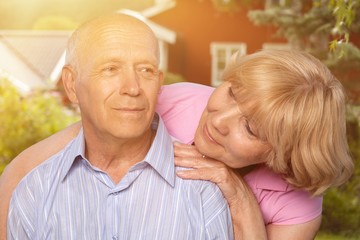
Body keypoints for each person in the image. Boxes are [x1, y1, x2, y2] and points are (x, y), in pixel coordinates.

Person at [0, 48, 353, 239]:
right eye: (231, 92)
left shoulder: (296, 205)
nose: (217, 119)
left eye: (251, 128)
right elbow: (23, 170)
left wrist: (236, 191)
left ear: (283, 154)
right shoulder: (177, 102)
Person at [4, 13, 235, 239]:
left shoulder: (205, 193)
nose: (132, 88)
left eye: (146, 70)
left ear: (159, 82)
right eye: (111, 69)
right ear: (71, 84)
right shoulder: (35, 192)